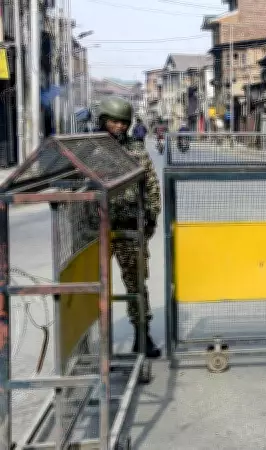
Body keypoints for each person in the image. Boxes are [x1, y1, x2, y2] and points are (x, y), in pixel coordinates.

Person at [96, 96, 162, 358]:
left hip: (129, 228)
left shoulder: (136, 151)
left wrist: (151, 217)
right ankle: (91, 341)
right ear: (103, 122)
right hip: (97, 230)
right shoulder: (91, 151)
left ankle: (142, 335)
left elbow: (152, 187)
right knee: (91, 285)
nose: (119, 127)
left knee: (135, 284)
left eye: (123, 122)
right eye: (114, 121)